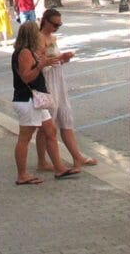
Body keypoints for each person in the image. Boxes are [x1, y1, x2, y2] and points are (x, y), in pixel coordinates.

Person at [11, 21, 78, 185]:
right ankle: (22, 174)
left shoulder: (30, 51)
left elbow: (46, 61)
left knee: (50, 131)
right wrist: (39, 66)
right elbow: (26, 76)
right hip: (28, 100)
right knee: (25, 137)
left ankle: (59, 167)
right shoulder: (24, 53)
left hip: (36, 100)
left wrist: (59, 58)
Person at [34, 9, 97, 172]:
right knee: (47, 124)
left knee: (65, 118)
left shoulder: (53, 38)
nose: (57, 27)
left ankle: (77, 156)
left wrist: (63, 59)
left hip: (58, 80)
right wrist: (60, 58)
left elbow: (55, 60)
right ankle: (42, 160)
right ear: (45, 21)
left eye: (59, 24)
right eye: (55, 24)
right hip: (46, 83)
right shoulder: (39, 39)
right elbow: (39, 64)